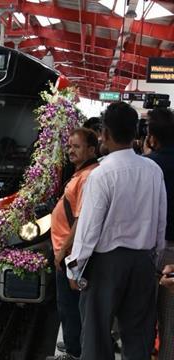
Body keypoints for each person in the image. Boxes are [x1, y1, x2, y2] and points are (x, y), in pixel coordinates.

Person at [65, 102, 167, 360]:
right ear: (135, 133)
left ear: (105, 134)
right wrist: (153, 259)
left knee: (97, 336)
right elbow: (160, 221)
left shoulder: (102, 174)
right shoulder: (153, 170)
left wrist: (75, 267)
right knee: (139, 336)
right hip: (143, 261)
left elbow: (89, 228)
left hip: (105, 265)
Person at [46, 128, 99, 360]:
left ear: (91, 149)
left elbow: (81, 219)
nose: (71, 151)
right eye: (69, 146)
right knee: (68, 304)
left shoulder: (88, 176)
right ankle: (72, 343)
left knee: (70, 305)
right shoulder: (82, 173)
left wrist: (63, 251)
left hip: (70, 254)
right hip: (66, 251)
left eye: (76, 147)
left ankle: (75, 351)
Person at [144, 107, 174, 360]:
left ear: (151, 136)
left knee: (141, 314)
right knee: (169, 320)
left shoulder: (149, 166)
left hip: (150, 250)